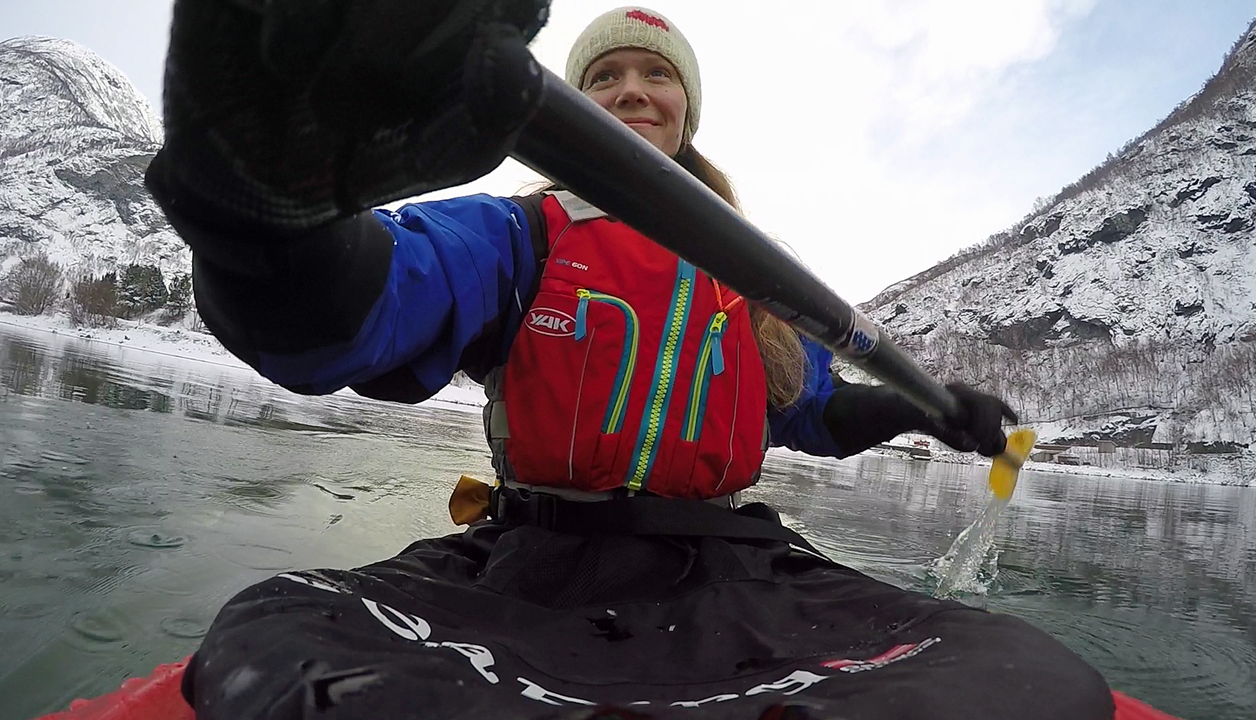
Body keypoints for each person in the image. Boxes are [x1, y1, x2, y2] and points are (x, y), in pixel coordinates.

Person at [146, 3, 1116, 718]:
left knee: (1034, 684)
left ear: (685, 110)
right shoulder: (516, 234)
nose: (629, 92)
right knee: (272, 646)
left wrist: (926, 409)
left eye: (651, 78)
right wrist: (272, 217)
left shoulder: (747, 285)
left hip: (731, 572)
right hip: (536, 560)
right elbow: (347, 315)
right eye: (602, 79)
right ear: (575, 104)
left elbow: (818, 410)